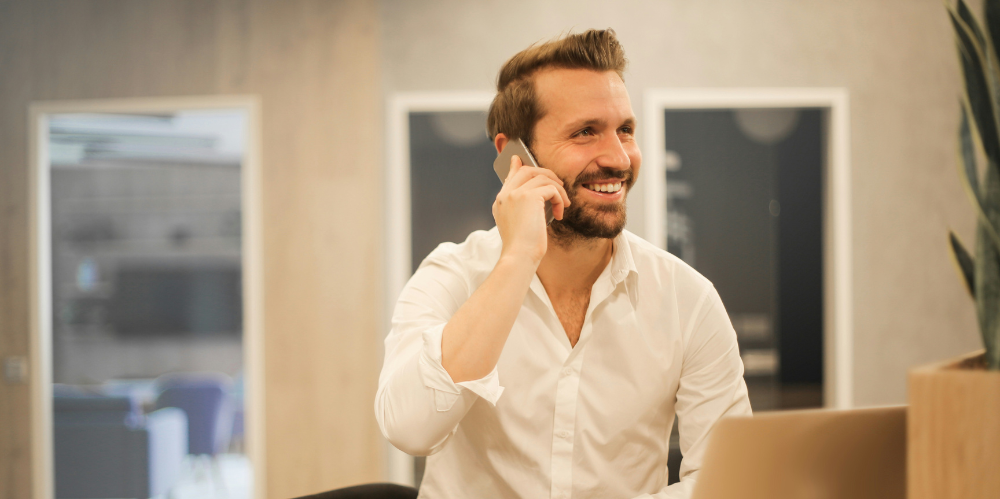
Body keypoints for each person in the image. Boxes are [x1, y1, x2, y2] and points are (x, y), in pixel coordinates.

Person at [375, 29, 751, 499]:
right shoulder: (451, 276)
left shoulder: (687, 300)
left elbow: (728, 483)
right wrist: (517, 259)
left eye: (626, 130)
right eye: (585, 132)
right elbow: (410, 430)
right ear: (514, 157)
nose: (618, 158)